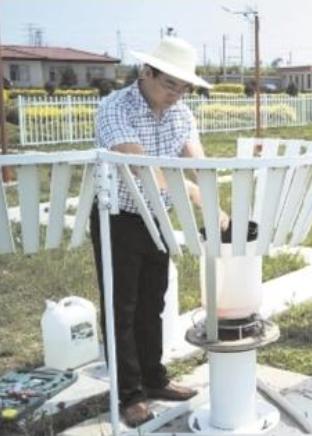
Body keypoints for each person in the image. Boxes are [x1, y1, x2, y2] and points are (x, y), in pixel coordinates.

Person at [90, 36, 228, 427]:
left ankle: (154, 378)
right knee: (123, 306)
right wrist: (195, 197)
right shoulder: (115, 108)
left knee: (154, 301)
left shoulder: (181, 115)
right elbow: (140, 167)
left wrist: (215, 203)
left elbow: (198, 165)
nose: (176, 94)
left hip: (159, 218)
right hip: (118, 215)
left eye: (184, 88)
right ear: (146, 72)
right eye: (170, 84)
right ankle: (130, 394)